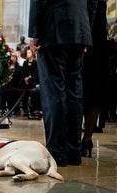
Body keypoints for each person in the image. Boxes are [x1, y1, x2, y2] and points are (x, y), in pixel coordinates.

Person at [28, 0, 97, 166]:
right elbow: (93, 3)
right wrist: (85, 31)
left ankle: (57, 151)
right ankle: (73, 150)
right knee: (74, 93)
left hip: (53, 30)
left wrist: (35, 33)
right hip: (79, 31)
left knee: (53, 92)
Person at [81, 0, 109, 157]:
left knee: (81, 90)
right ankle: (87, 139)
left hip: (85, 41)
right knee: (94, 91)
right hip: (98, 44)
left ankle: (80, 139)